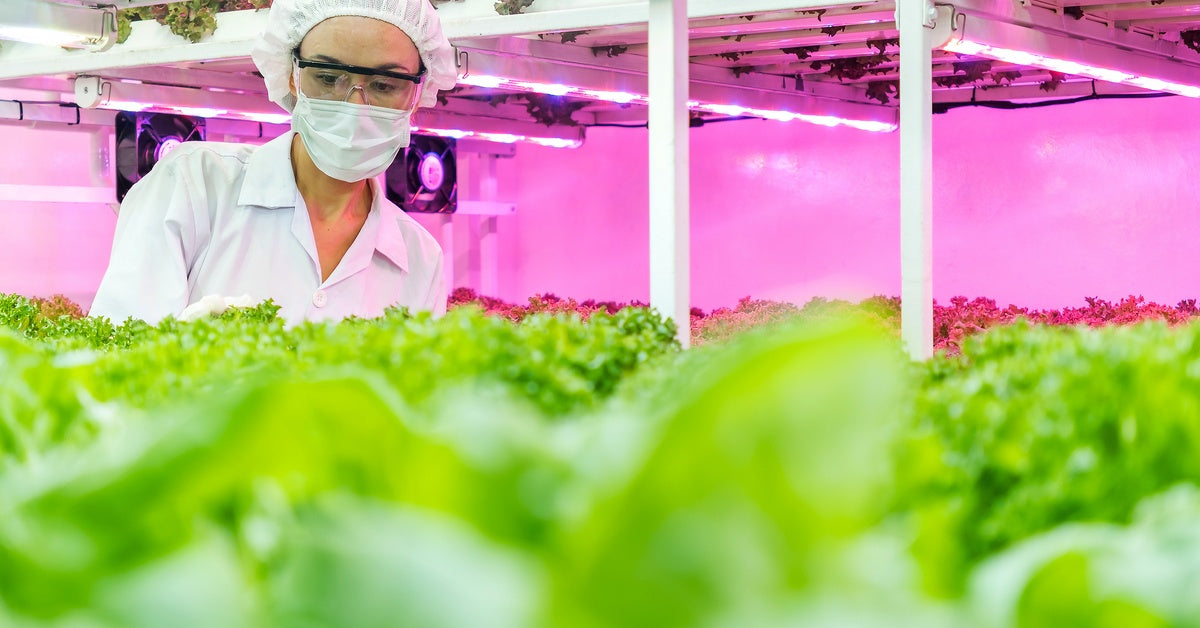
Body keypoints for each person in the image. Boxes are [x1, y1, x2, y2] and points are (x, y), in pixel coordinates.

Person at [90, 0, 458, 324]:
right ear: (292, 76)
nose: (354, 108)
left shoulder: (420, 259)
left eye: (384, 85)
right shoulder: (191, 185)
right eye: (328, 78)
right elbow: (112, 364)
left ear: (417, 94)